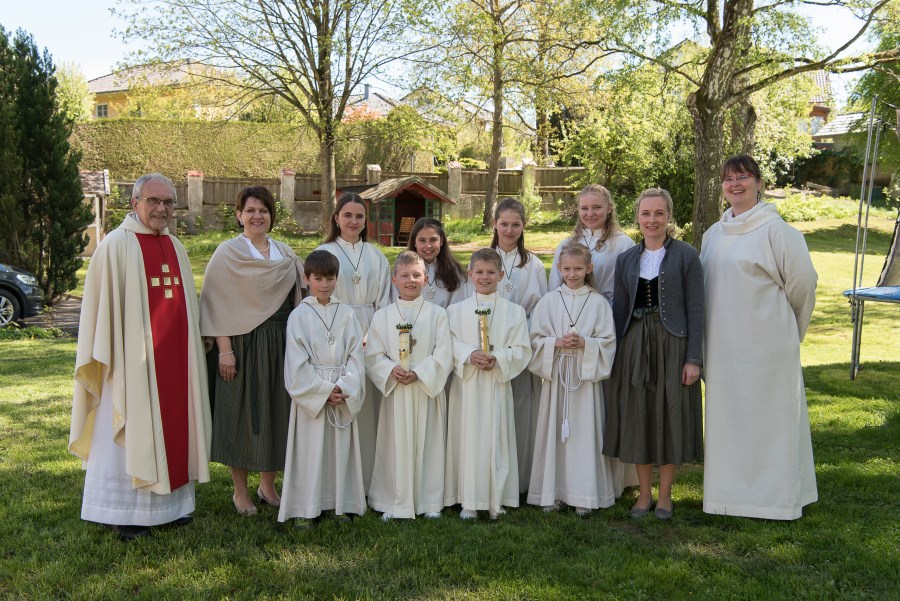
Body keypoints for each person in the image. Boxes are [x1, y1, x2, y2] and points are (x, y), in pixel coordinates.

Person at [69, 173, 211, 541]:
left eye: (168, 202)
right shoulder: (116, 245)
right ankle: (124, 512)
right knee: (129, 427)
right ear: (135, 203)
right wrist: (116, 354)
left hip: (173, 359)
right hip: (127, 363)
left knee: (173, 423)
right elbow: (102, 313)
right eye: (153, 201)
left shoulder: (176, 247)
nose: (162, 209)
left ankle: (172, 507)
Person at [701, 155, 818, 520]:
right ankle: (728, 498)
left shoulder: (778, 232)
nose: (735, 184)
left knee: (771, 423)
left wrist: (786, 332)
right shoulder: (712, 235)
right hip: (723, 347)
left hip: (767, 347)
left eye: (743, 177)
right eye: (728, 178)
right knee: (730, 424)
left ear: (758, 182)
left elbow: (803, 285)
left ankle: (776, 500)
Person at [200, 186, 304, 516]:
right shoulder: (227, 253)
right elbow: (215, 303)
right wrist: (224, 351)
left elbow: (301, 298)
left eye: (263, 210)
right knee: (243, 417)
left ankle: (268, 486)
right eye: (250, 210)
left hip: (280, 344)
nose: (257, 216)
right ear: (239, 215)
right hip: (242, 345)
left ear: (271, 215)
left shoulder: (285, 253)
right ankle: (240, 491)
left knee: (277, 412)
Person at [604, 188, 705, 521]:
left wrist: (693, 358)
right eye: (646, 213)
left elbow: (696, 309)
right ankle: (644, 494)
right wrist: (616, 356)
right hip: (635, 344)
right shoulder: (626, 259)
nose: (652, 220)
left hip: (673, 345)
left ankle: (665, 495)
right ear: (637, 217)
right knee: (640, 416)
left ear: (669, 216)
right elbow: (620, 310)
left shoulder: (687, 255)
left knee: (670, 415)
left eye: (658, 213)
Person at [527, 243, 617, 516]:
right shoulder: (550, 300)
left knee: (584, 435)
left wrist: (585, 343)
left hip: (584, 380)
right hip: (558, 377)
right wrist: (555, 342)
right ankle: (553, 493)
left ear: (589, 268)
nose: (572, 274)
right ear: (559, 268)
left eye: (578, 268)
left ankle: (584, 495)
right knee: (555, 435)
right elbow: (534, 339)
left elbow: (608, 342)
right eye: (566, 269)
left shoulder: (598, 302)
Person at [279, 251, 367, 527]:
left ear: (336, 279)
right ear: (306, 279)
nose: (325, 284)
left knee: (340, 450)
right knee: (309, 451)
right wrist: (323, 391)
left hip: (342, 390)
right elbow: (296, 362)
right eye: (318, 279)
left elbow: (356, 355)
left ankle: (342, 503)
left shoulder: (347, 313)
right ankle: (306, 508)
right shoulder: (299, 315)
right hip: (314, 392)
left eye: (330, 278)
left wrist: (344, 386)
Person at [444, 248, 532, 520]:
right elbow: (447, 343)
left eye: (491, 272)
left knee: (497, 438)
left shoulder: (514, 312)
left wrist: (499, 358)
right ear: (470, 274)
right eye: (479, 272)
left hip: (496, 384)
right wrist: (469, 354)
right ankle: (469, 500)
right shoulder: (455, 311)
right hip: (467, 387)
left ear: (501, 275)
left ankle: (496, 499)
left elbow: (522, 349)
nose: (485, 277)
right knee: (468, 439)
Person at [366, 251, 453, 519]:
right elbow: (373, 355)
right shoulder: (382, 316)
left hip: (425, 389)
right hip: (396, 391)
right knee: (395, 446)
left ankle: (428, 501)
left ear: (426, 279)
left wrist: (419, 373)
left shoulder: (438, 314)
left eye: (416, 275)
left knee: (429, 444)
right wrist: (390, 369)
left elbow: (444, 353)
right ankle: (393, 500)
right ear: (394, 280)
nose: (411, 280)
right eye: (404, 275)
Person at [316, 192, 392, 492]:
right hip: (336, 333)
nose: (353, 221)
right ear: (336, 218)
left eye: (359, 216)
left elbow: (385, 301)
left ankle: (370, 478)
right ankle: (341, 482)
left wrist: (374, 336)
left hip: (372, 333)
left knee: (370, 408)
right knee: (344, 398)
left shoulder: (376, 255)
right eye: (347, 215)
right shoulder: (324, 252)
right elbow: (318, 299)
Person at [489, 198, 548, 494]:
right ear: (494, 224)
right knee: (492, 410)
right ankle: (491, 477)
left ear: (524, 226)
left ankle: (522, 478)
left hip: (522, 339)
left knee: (522, 409)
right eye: (504, 224)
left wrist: (526, 339)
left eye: (515, 224)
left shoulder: (533, 264)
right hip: (489, 340)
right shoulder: (485, 259)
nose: (509, 230)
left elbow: (541, 306)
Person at [549, 184, 635, 303]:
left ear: (609, 208)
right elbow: (554, 286)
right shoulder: (567, 244)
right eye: (584, 208)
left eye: (597, 207)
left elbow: (631, 289)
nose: (590, 214)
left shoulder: (624, 244)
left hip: (609, 310)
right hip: (569, 310)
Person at [398, 217, 471, 308]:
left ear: (441, 241)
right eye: (422, 240)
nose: (428, 245)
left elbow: (458, 306)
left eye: (433, 240)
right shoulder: (402, 271)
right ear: (414, 242)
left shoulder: (454, 272)